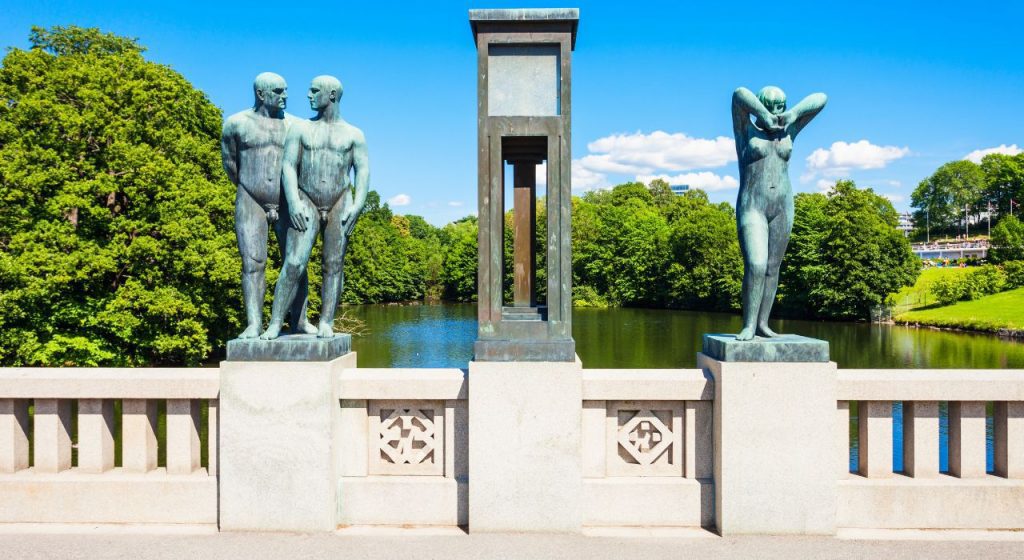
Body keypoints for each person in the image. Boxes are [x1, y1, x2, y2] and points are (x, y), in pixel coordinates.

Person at [260, 75, 369, 340]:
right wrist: (294, 201)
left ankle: (326, 321)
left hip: (339, 200)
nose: (308, 95)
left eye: (314, 91)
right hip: (306, 197)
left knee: (333, 265)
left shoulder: (354, 134)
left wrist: (357, 205)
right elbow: (288, 165)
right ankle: (275, 322)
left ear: (331, 95)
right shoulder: (300, 129)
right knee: (295, 262)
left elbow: (362, 170)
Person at [221, 72, 315, 339]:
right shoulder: (236, 124)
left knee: (296, 262)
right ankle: (253, 323)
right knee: (252, 263)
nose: (285, 95)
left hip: (290, 201)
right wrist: (254, 187)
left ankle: (299, 320)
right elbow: (230, 165)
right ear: (261, 94)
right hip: (250, 198)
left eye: (285, 90)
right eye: (278, 91)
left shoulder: (296, 125)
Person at [731, 86, 826, 341]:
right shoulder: (746, 130)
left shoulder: (789, 131)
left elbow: (820, 98)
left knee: (773, 267)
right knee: (756, 264)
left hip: (783, 206)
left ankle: (763, 324)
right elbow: (739, 94)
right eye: (770, 105)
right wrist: (762, 115)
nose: (775, 111)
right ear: (761, 105)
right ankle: (748, 325)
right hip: (752, 207)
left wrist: (793, 114)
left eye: (779, 106)